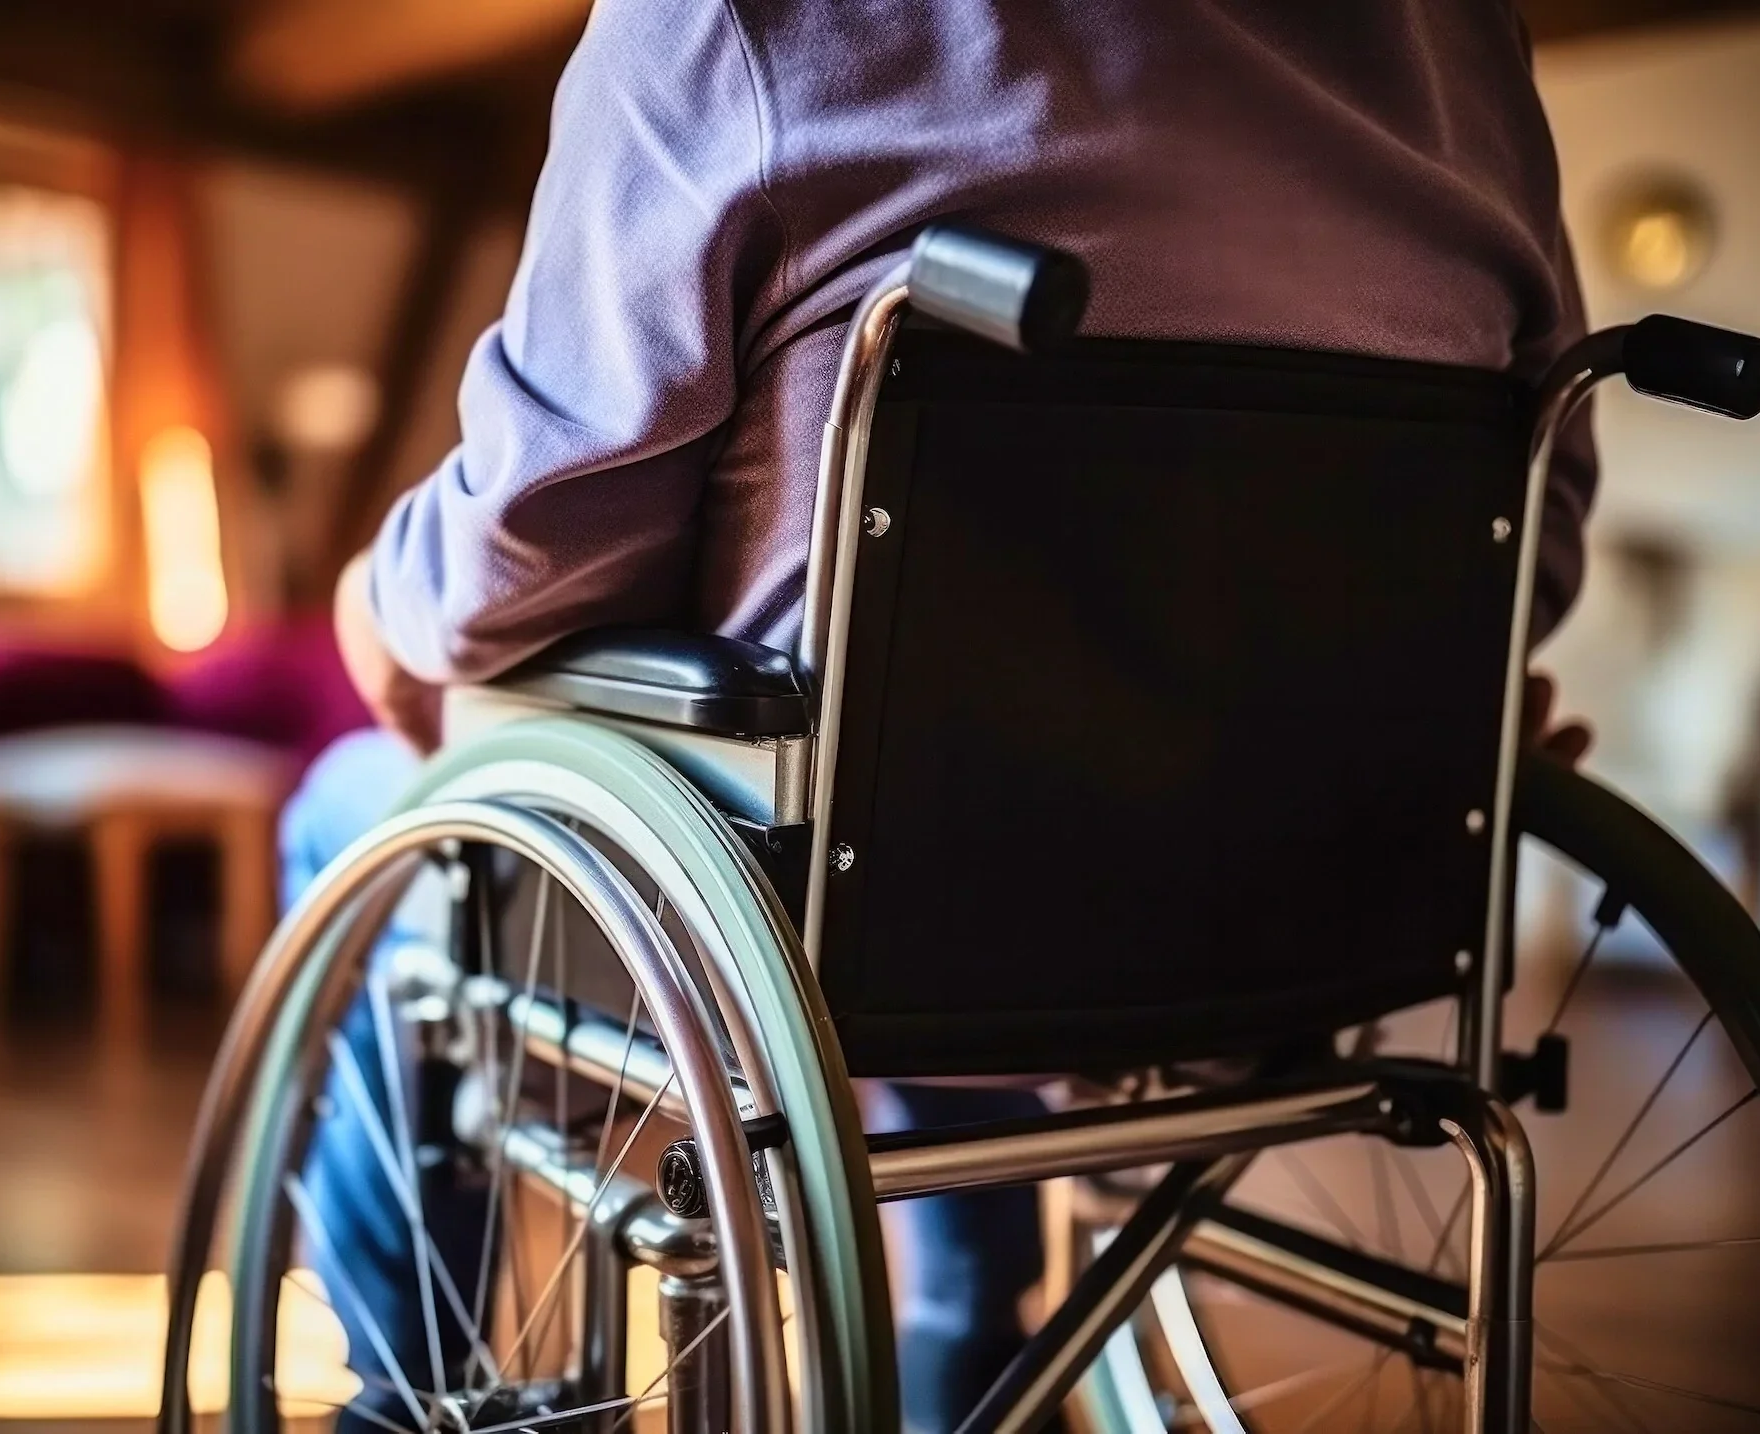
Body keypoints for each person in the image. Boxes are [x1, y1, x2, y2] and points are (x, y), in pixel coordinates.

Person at [287, 1, 1597, 1427]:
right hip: (1284, 890)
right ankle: (965, 1327)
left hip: (849, 894)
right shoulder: (1459, 42)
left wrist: (382, 603)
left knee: (357, 808)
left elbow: (542, 537)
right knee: (916, 789)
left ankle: (405, 1394)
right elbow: (1538, 517)